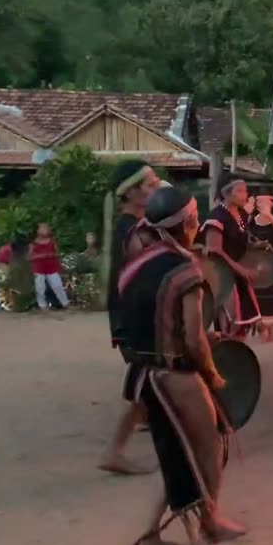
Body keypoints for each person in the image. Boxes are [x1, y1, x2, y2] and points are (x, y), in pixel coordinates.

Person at [118, 185, 246, 545]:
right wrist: (212, 370)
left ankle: (150, 535)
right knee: (210, 445)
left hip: (142, 374)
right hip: (174, 375)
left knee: (177, 452)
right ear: (189, 222)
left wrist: (202, 336)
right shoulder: (185, 268)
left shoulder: (136, 263)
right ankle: (212, 521)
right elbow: (191, 337)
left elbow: (154, 321)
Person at [100, 160, 163, 476]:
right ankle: (114, 452)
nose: (157, 186)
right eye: (151, 184)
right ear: (132, 194)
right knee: (144, 386)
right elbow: (145, 275)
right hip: (137, 320)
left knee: (149, 387)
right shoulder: (131, 231)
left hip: (139, 318)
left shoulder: (139, 226)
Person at [202, 173, 261, 338]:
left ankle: (239, 358)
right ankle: (228, 360)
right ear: (227, 193)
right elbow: (215, 251)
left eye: (246, 191)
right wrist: (240, 270)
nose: (245, 195)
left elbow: (241, 237)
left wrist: (256, 246)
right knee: (229, 323)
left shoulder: (242, 215)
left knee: (242, 323)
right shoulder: (217, 217)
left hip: (237, 273)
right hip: (222, 276)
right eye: (240, 191)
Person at [249, 192, 273, 342]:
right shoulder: (251, 221)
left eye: (263, 201)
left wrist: (269, 216)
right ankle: (261, 328)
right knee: (257, 295)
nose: (260, 204)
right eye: (257, 201)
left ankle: (272, 328)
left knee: (272, 294)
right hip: (256, 263)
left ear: (272, 202)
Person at [29, 223, 68, 310]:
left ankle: (65, 303)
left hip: (52, 268)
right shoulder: (33, 243)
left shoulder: (52, 241)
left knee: (58, 286)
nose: (45, 230)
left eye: (46, 228)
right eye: (42, 228)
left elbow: (58, 254)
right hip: (38, 268)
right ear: (38, 231)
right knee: (40, 289)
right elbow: (29, 257)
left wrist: (60, 266)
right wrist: (40, 256)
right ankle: (42, 306)